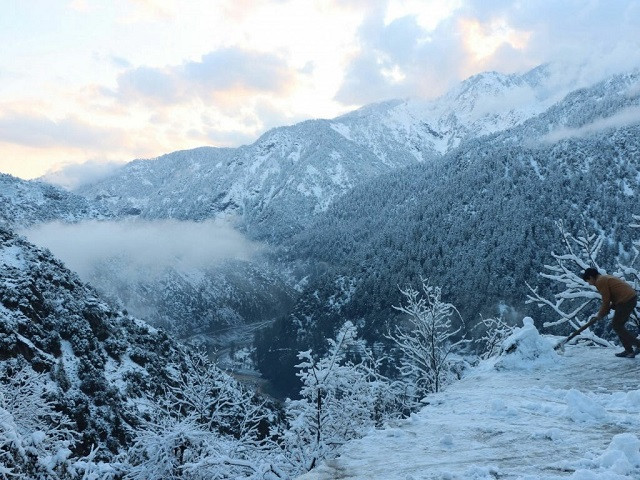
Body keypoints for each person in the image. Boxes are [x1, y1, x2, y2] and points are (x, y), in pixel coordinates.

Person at [582, 268, 640, 358]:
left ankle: (637, 345)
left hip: (626, 300)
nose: (589, 283)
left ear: (591, 277)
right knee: (618, 325)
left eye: (588, 281)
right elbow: (614, 294)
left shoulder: (600, 281)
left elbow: (606, 300)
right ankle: (629, 350)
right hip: (629, 298)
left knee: (617, 325)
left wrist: (601, 314)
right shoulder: (604, 278)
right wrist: (609, 308)